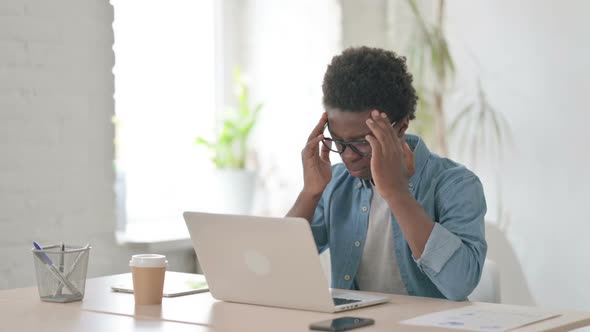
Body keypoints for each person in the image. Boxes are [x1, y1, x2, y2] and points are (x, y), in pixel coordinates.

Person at [287, 46, 487, 301]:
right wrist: (310, 193)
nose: (348, 155)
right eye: (337, 140)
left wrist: (396, 193)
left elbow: (460, 284)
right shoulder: (336, 182)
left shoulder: (455, 184)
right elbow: (279, 266)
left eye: (361, 141)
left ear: (401, 126)